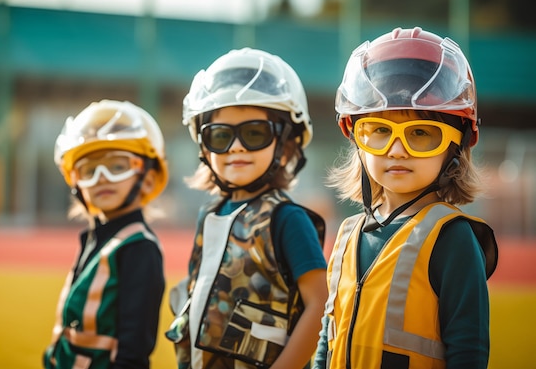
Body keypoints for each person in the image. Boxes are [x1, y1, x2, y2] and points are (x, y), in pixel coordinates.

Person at [313, 27, 499, 369]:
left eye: (421, 134)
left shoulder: (452, 238)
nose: (397, 151)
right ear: (356, 140)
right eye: (380, 131)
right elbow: (328, 336)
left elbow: (468, 352)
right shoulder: (347, 234)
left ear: (455, 147)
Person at [166, 48, 328, 369]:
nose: (236, 146)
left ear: (286, 143)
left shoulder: (287, 219)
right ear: (203, 146)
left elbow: (320, 305)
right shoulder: (210, 214)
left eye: (254, 133)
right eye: (220, 135)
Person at [44, 99, 168, 369]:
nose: (101, 177)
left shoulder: (139, 248)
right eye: (89, 170)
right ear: (76, 183)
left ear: (147, 178)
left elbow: (133, 351)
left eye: (117, 166)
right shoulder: (94, 238)